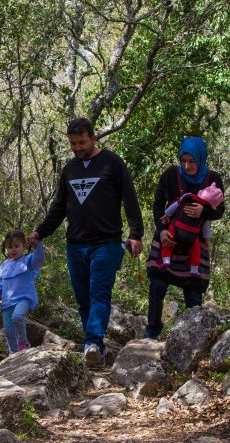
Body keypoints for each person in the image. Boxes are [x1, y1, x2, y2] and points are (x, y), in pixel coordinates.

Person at [27, 117, 144, 368]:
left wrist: (136, 234)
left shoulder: (112, 163)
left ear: (93, 138)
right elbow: (59, 207)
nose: (77, 148)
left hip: (107, 243)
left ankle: (92, 342)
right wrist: (40, 232)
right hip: (76, 244)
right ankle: (96, 350)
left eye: (81, 142)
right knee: (83, 299)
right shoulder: (70, 169)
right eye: (72, 144)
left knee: (99, 293)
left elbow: (129, 198)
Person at [145, 136, 225, 339]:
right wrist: (161, 231)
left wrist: (203, 212)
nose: (187, 166)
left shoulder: (213, 179)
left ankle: (192, 338)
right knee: (157, 284)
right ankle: (152, 331)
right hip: (168, 237)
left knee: (193, 291)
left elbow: (220, 210)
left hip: (194, 242)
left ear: (201, 159)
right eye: (184, 161)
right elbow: (157, 204)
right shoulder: (170, 175)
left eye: (192, 161)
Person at [0, 230, 45, 354]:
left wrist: (37, 245)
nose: (13, 250)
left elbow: (39, 258)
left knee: (17, 317)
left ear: (24, 246)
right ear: (6, 249)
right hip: (7, 303)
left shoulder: (28, 261)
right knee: (8, 330)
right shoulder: (5, 265)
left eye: (16, 246)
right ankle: (13, 353)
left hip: (24, 298)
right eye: (9, 247)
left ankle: (23, 343)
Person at [158, 184, 225, 275]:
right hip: (192, 236)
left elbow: (176, 205)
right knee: (195, 251)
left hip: (176, 228)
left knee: (168, 244)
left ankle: (166, 261)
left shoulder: (188, 197)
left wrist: (167, 214)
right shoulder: (205, 210)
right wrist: (207, 239)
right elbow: (206, 227)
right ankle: (194, 270)